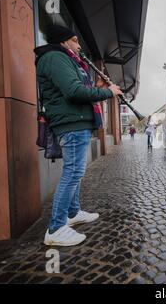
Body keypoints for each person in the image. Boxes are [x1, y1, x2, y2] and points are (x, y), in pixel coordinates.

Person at [34, 25, 123, 246]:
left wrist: (98, 86)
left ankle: (72, 213)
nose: (79, 44)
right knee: (73, 172)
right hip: (71, 124)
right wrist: (108, 92)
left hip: (75, 121)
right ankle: (55, 229)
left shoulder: (65, 59)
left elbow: (77, 89)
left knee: (75, 171)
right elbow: (74, 92)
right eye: (75, 40)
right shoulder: (55, 57)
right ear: (64, 41)